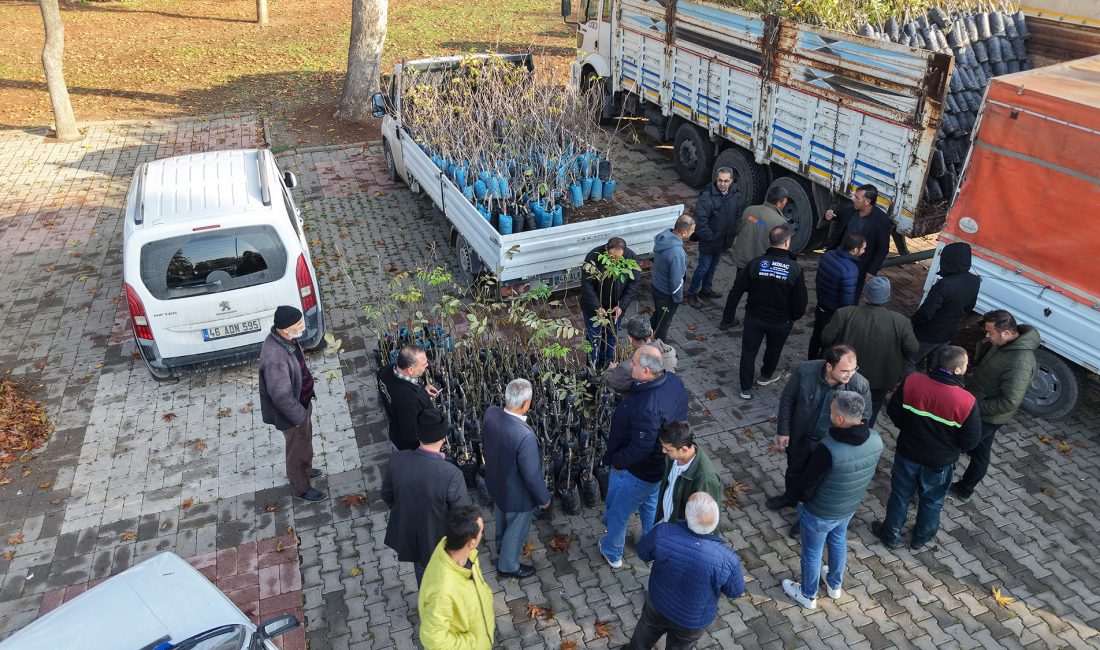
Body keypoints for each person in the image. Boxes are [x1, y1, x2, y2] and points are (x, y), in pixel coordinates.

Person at [872, 346, 981, 551]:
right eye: (966, 364)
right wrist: (951, 448)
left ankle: (890, 534)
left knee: (900, 495)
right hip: (939, 462)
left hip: (908, 452)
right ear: (958, 370)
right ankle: (920, 538)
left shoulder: (913, 382)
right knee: (932, 501)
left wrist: (909, 431)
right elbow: (971, 440)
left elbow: (894, 410)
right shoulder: (966, 401)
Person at [781, 391, 883, 609]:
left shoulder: (828, 448)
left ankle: (808, 594)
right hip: (848, 507)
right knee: (838, 540)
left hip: (820, 512)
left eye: (831, 411)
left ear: (839, 419)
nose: (829, 413)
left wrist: (801, 500)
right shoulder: (876, 439)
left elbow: (809, 482)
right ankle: (835, 585)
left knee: (812, 551)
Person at [600, 346, 689, 569]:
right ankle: (651, 543)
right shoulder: (673, 383)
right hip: (658, 469)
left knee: (619, 512)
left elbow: (641, 448)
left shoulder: (647, 407)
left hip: (638, 471)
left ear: (647, 371)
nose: (631, 364)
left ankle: (612, 551)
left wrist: (618, 462)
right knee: (650, 504)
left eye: (635, 362)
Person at [627, 493, 745, 649]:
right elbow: (735, 591)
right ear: (715, 522)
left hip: (658, 604)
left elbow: (643, 552)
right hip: (693, 620)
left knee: (643, 636)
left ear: (687, 516)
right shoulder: (728, 559)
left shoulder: (663, 532)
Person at [766, 345, 872, 514]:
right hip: (801, 437)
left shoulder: (859, 385)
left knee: (817, 482)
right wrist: (783, 430)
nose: (850, 375)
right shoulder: (805, 371)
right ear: (829, 366)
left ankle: (806, 514)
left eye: (854, 369)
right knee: (794, 470)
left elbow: (864, 416)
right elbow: (788, 399)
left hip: (829, 445)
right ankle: (790, 497)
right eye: (845, 370)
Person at [950, 310, 1040, 504]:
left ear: (1006, 333)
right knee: (981, 453)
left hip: (985, 417)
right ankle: (964, 489)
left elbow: (1009, 401)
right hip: (980, 408)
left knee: (953, 448)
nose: (987, 336)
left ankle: (938, 486)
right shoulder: (1005, 346)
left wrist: (974, 406)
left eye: (990, 333)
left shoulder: (1020, 362)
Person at [382, 410, 471, 586]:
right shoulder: (451, 474)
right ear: (443, 438)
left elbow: (387, 495)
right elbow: (462, 517)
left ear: (419, 434)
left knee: (422, 570)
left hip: (413, 535)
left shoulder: (398, 460)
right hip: (441, 542)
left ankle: (427, 606)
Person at [821, 276, 918, 428]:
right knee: (869, 411)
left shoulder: (844, 313)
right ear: (888, 298)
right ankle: (861, 435)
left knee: (836, 404)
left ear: (865, 295)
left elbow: (826, 338)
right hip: (880, 379)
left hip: (844, 375)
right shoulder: (900, 322)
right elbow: (913, 348)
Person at [482, 379, 550, 579]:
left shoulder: (491, 413)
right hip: (517, 494)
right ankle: (508, 566)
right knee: (517, 528)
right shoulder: (524, 436)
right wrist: (543, 498)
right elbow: (531, 475)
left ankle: (501, 547)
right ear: (525, 404)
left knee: (501, 517)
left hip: (496, 482)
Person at [258, 305, 325, 502]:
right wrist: (299, 417)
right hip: (293, 413)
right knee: (297, 450)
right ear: (286, 328)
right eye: (299, 323)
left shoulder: (285, 339)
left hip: (301, 404)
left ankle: (306, 468)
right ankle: (301, 487)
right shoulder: (275, 358)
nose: (303, 324)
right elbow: (280, 396)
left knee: (304, 443)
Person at [733, 224, 807, 400]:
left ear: (769, 241)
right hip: (780, 321)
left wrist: (730, 312)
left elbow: (739, 288)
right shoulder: (795, 269)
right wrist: (793, 317)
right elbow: (800, 300)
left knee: (749, 352)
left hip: (755, 317)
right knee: (774, 349)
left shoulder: (756, 263)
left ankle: (745, 388)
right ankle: (766, 375)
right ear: (787, 243)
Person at [418, 505, 495, 650]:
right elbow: (433, 639)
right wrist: (474, 643)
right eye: (482, 532)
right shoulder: (442, 590)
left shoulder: (465, 556)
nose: (483, 534)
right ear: (471, 543)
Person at [720, 185, 790, 330]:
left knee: (737, 289)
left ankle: (726, 320)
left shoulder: (749, 210)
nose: (785, 204)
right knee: (756, 293)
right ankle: (750, 322)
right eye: (785, 201)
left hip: (742, 257)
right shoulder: (779, 222)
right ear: (779, 203)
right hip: (760, 263)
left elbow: (747, 227)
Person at [909, 242, 981, 372]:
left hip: (928, 334)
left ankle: (908, 385)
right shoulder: (974, 281)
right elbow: (970, 306)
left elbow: (926, 313)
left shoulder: (944, 285)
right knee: (937, 365)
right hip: (949, 333)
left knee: (910, 361)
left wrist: (912, 322)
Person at [822, 184, 892, 299]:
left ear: (867, 201)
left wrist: (872, 270)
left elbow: (883, 248)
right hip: (839, 259)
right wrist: (828, 215)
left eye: (857, 198)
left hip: (859, 266)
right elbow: (836, 214)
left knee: (851, 296)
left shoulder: (881, 221)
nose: (854, 200)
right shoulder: (851, 211)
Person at [580, 237, 640, 368]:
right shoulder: (593, 256)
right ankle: (591, 367)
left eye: (618, 258)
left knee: (611, 337)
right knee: (593, 338)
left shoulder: (631, 258)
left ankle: (606, 364)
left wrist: (622, 306)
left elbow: (633, 284)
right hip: (593, 308)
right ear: (606, 249)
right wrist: (597, 307)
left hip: (615, 309)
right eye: (612, 257)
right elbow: (587, 285)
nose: (614, 261)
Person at [685, 167, 740, 308]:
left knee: (713, 266)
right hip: (710, 241)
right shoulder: (707, 197)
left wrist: (733, 232)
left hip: (723, 240)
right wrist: (710, 238)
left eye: (726, 181)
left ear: (731, 181)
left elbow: (737, 214)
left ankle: (706, 290)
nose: (722, 184)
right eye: (720, 180)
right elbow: (701, 223)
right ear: (716, 179)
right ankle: (692, 294)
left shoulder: (734, 194)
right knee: (703, 268)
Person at [807, 233, 865, 359]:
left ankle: (810, 360)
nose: (864, 251)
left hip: (821, 304)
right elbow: (847, 300)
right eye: (863, 248)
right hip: (834, 313)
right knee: (830, 343)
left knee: (816, 336)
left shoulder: (828, 255)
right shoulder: (850, 269)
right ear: (855, 250)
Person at [377, 345, 442, 452]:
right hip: (408, 448)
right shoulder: (410, 400)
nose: (427, 366)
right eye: (424, 364)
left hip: (394, 432)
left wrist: (423, 390)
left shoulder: (384, 371)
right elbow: (411, 434)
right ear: (410, 370)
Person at [655, 421, 722, 525]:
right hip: (666, 520)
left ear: (684, 449)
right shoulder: (674, 456)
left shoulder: (705, 478)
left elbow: (705, 521)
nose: (663, 451)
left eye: (668, 449)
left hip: (679, 532)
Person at [650, 216, 696, 342]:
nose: (693, 233)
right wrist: (677, 298)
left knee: (658, 315)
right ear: (684, 233)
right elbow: (676, 280)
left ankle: (642, 336)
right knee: (664, 324)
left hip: (656, 286)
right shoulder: (677, 253)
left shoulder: (663, 238)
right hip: (667, 294)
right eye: (692, 231)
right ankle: (659, 350)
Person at [604, 316, 678, 393]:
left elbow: (612, 383)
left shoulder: (627, 366)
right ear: (651, 332)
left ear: (630, 339)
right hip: (668, 392)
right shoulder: (671, 351)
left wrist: (611, 369)